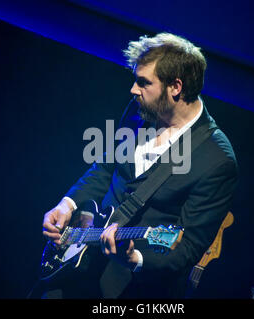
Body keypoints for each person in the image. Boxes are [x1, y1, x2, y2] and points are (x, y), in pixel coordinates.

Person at [39, 32, 238, 299]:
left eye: (143, 82)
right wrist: (69, 203)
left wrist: (135, 258)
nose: (133, 89)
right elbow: (106, 166)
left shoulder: (217, 160)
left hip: (132, 287)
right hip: (77, 261)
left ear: (175, 87)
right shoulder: (140, 109)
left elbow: (189, 247)